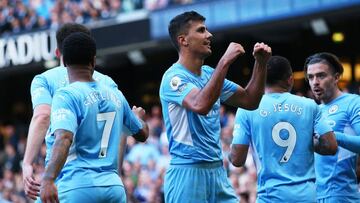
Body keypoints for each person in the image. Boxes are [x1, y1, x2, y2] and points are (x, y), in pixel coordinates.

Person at [159, 11, 272, 202]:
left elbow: (250, 100)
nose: (209, 35)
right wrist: (225, 61)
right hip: (187, 173)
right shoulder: (173, 78)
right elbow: (200, 104)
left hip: (217, 171)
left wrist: (260, 64)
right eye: (201, 30)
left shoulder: (209, 74)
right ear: (183, 40)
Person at [22, 23, 139, 200]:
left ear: (59, 53)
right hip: (110, 182)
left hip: (71, 181)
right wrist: (115, 174)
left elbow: (43, 116)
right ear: (93, 57)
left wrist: (27, 162)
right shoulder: (109, 84)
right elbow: (125, 130)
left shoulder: (45, 79)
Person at [229, 55, 338, 202]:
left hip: (270, 197)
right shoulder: (310, 105)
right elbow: (331, 146)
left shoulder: (247, 109)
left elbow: (237, 159)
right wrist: (307, 143)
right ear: (290, 79)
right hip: (307, 196)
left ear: (261, 79)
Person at [304, 52, 360, 203]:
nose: (315, 82)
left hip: (342, 196)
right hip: (313, 196)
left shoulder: (353, 103)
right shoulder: (313, 110)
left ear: (336, 77)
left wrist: (332, 136)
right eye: (310, 77)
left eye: (321, 76)